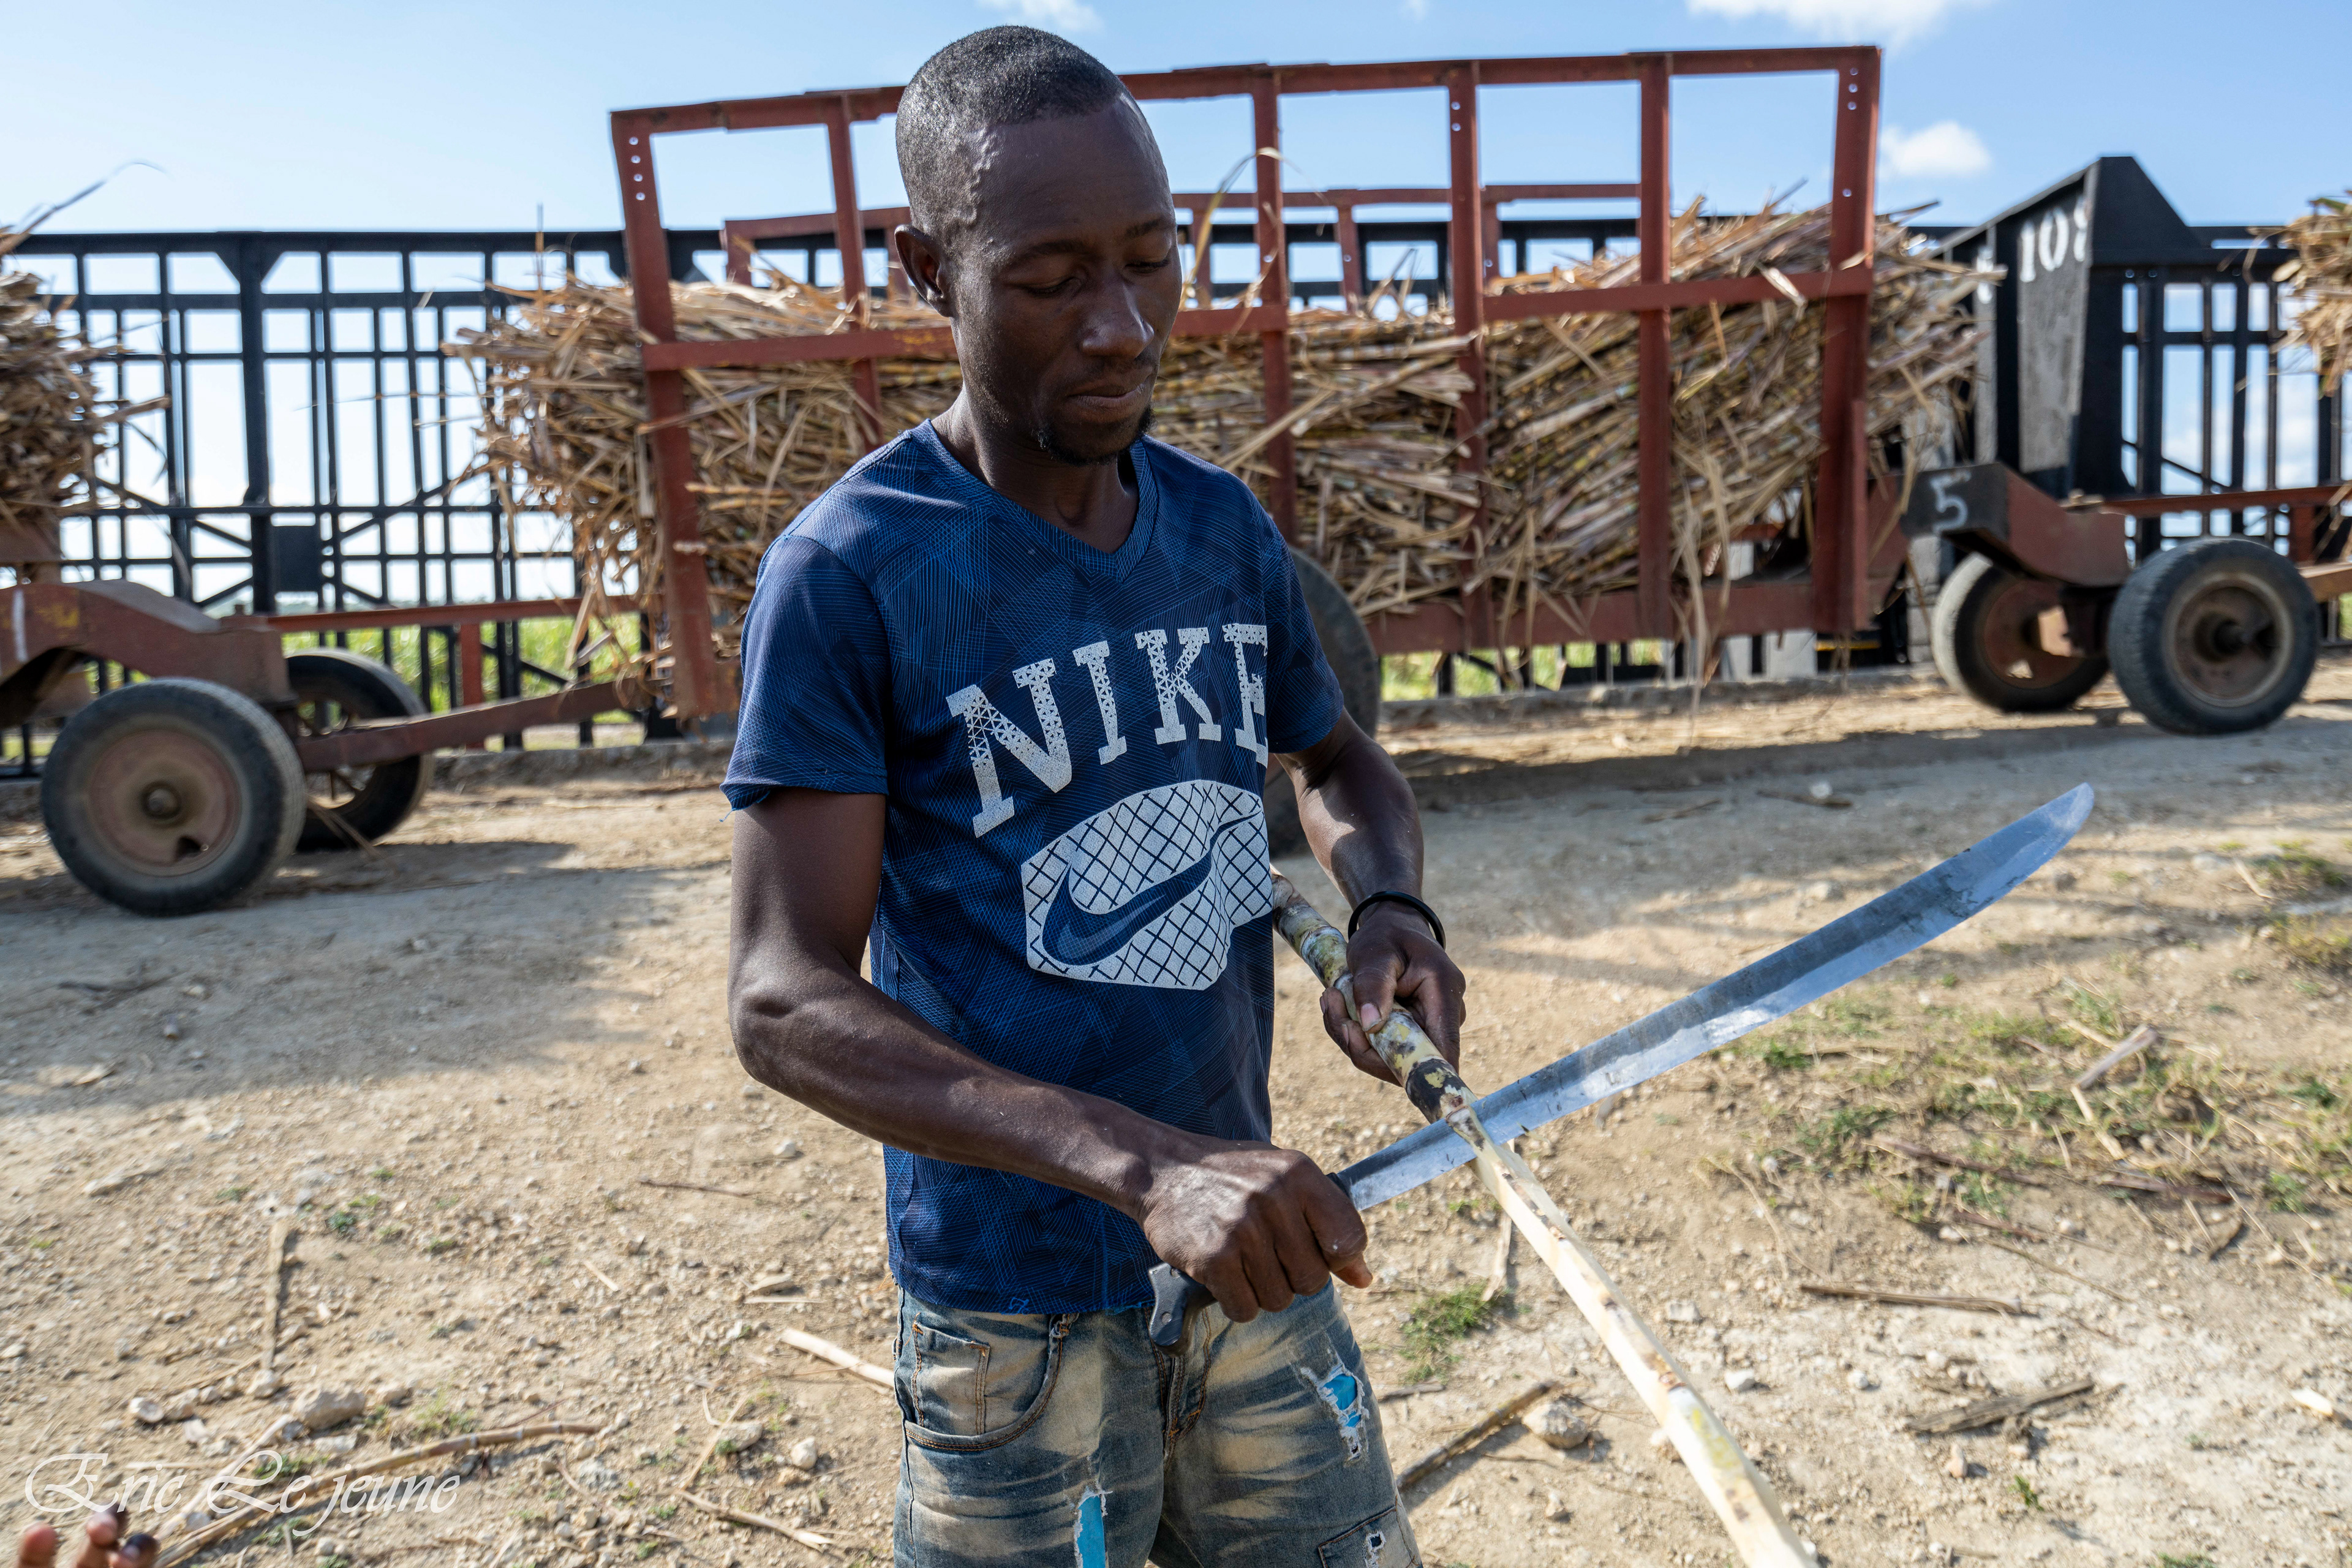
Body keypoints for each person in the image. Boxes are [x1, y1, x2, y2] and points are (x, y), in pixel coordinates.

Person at [725, 26, 1464, 1567]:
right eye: (1054, 278)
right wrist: (1144, 1163)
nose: (1124, 326)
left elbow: (1334, 763)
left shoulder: (1216, 529)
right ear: (930, 270)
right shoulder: (854, 573)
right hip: (1015, 1313)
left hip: (1254, 1259)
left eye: (1150, 260)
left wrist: (1387, 901)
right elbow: (782, 997)